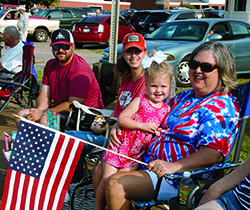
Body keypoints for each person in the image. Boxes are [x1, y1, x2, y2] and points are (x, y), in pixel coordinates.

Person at [92, 41, 242, 210]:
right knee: (99, 172)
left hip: (177, 177)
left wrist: (175, 166)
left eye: (206, 67)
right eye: (194, 64)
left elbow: (214, 153)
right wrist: (121, 126)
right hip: (144, 160)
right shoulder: (184, 96)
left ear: (222, 71)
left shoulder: (222, 106)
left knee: (116, 184)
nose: (198, 71)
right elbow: (150, 113)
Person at [64, 32, 147, 183]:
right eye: (129, 51)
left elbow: (135, 116)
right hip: (110, 130)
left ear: (144, 53)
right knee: (65, 134)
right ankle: (74, 184)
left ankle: (73, 186)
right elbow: (117, 111)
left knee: (69, 141)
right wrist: (101, 122)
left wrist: (105, 127)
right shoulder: (127, 80)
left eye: (137, 51)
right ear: (124, 54)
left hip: (120, 139)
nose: (133, 55)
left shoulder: (145, 82)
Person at [94, 51, 174, 210]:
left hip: (136, 154)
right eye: (153, 86)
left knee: (118, 181)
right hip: (120, 146)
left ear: (170, 86)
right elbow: (123, 118)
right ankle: (97, 207)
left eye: (163, 86)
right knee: (106, 179)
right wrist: (142, 126)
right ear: (147, 85)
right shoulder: (141, 100)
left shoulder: (167, 109)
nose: (158, 91)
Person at [16, 28, 104, 131]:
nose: (61, 50)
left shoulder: (80, 70)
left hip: (86, 116)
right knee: (22, 116)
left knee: (46, 120)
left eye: (65, 46)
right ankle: (29, 145)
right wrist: (38, 111)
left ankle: (47, 146)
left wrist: (43, 113)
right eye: (56, 47)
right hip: (63, 112)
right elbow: (44, 95)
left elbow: (72, 105)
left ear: (73, 47)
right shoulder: (50, 65)